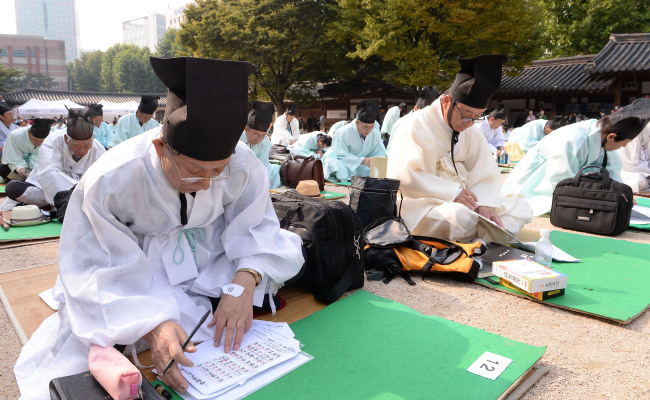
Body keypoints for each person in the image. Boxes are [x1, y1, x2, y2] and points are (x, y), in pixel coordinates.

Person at [14, 56, 304, 399]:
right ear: (160, 147)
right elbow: (94, 261)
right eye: (195, 171)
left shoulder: (242, 163)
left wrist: (243, 284)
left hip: (206, 257)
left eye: (218, 171)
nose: (207, 185)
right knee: (87, 338)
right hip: (136, 266)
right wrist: (153, 323)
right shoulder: (112, 177)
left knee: (263, 269)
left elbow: (256, 226)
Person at [387, 55, 532, 242]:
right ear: (447, 102)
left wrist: (486, 204)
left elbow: (484, 172)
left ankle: (482, 236)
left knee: (520, 205)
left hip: (467, 202)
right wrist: (452, 193)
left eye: (477, 117)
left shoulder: (470, 130)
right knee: (458, 217)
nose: (469, 123)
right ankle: (487, 237)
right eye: (466, 115)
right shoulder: (414, 124)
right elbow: (405, 175)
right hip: (422, 204)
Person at [502, 98, 650, 216]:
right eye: (625, 143)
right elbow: (560, 182)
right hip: (537, 182)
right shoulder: (573, 139)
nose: (623, 147)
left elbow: (612, 172)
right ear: (612, 136)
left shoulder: (603, 136)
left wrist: (623, 194)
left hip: (573, 184)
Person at [4, 108, 105, 209]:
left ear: (93, 138)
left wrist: (83, 190)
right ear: (66, 139)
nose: (82, 150)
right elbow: (48, 172)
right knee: (13, 188)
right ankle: (63, 202)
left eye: (87, 145)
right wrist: (73, 188)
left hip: (84, 192)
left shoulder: (98, 149)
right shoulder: (53, 141)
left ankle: (61, 203)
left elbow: (105, 176)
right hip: (48, 190)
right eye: (76, 145)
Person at [322, 99, 386, 182]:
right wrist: (362, 160)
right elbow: (340, 155)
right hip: (345, 162)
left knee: (379, 168)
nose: (369, 130)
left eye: (371, 127)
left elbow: (381, 153)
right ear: (357, 123)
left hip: (363, 165)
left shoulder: (375, 134)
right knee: (335, 165)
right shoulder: (342, 132)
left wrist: (373, 160)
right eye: (366, 127)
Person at [239, 101, 282, 189]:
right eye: (255, 134)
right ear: (246, 129)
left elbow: (263, 166)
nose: (258, 140)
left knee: (274, 173)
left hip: (254, 173)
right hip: (236, 172)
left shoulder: (265, 142)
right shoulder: (236, 138)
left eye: (262, 135)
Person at [387, 87, 436, 152]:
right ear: (415, 108)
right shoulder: (401, 123)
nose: (426, 117)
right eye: (423, 113)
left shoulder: (431, 124)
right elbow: (392, 149)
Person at [617, 123, 650, 192]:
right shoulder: (636, 128)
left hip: (637, 168)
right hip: (630, 171)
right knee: (639, 181)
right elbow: (630, 162)